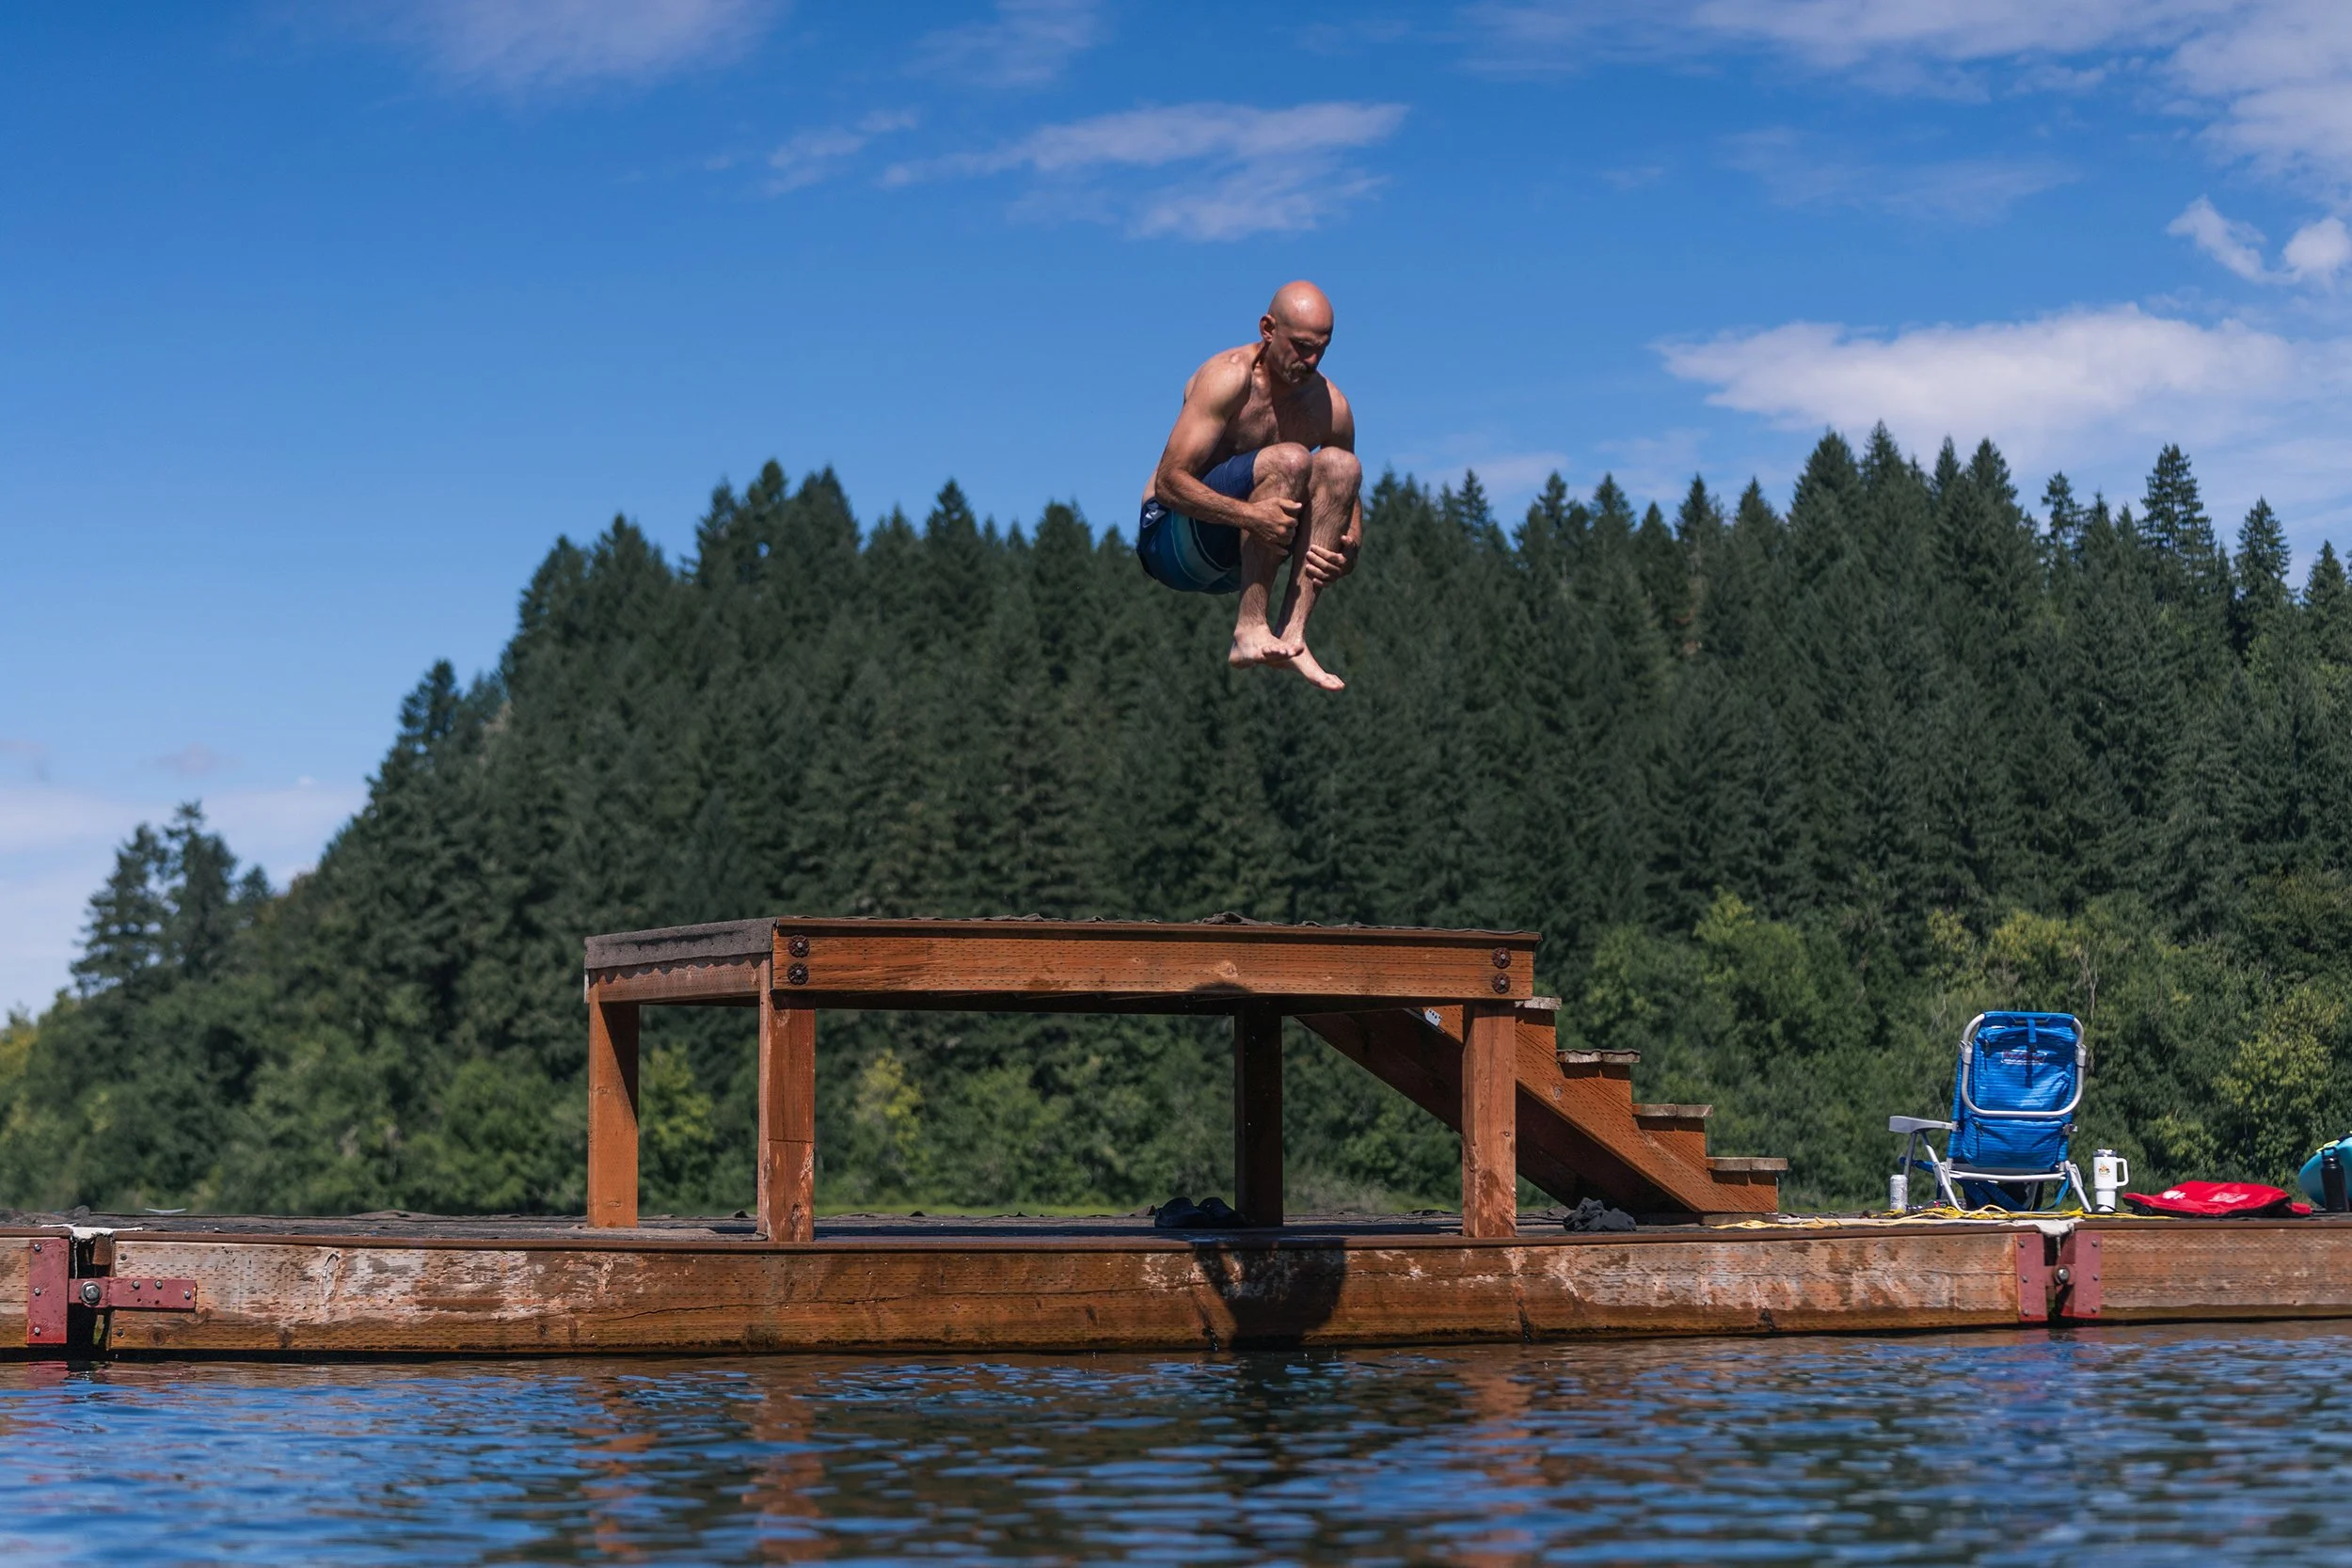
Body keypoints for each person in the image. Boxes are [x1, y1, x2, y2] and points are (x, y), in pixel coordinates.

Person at [1136, 280, 1361, 690]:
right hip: (1171, 541)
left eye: (1321, 349)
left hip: (1244, 558)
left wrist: (1349, 552)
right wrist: (1251, 516)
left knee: (1342, 467)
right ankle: (1249, 628)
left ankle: (1293, 637)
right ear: (1268, 329)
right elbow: (1169, 483)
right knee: (1291, 459)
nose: (1310, 360)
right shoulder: (1228, 378)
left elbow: (1350, 505)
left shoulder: (1331, 407)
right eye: (1300, 346)